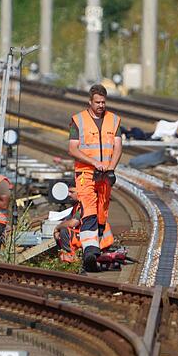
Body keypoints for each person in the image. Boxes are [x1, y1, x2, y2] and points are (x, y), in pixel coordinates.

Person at [68, 84, 123, 272]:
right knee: (89, 210)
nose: (101, 105)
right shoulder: (78, 121)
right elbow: (73, 149)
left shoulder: (114, 120)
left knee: (102, 212)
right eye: (97, 102)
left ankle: (97, 250)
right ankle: (90, 251)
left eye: (103, 102)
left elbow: (118, 147)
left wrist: (111, 168)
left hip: (105, 175)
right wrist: (93, 162)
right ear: (90, 102)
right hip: (85, 174)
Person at [54, 185, 114, 263]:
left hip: (97, 239)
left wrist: (57, 227)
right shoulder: (79, 205)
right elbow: (68, 220)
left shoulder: (85, 205)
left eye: (72, 192)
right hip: (92, 238)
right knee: (63, 229)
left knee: (64, 231)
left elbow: (73, 223)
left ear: (80, 193)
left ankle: (71, 256)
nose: (68, 194)